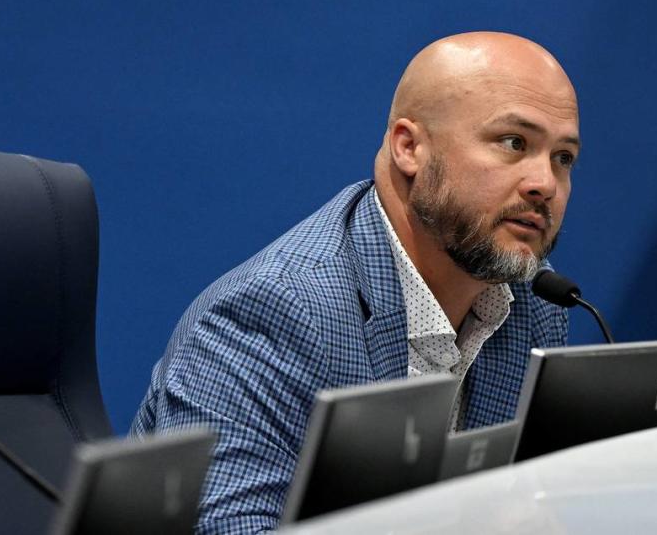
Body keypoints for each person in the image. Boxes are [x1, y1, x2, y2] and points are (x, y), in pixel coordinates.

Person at [132, 31, 580, 533]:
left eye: (563, 157)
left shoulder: (535, 301)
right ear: (409, 148)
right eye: (513, 143)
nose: (544, 183)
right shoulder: (272, 313)